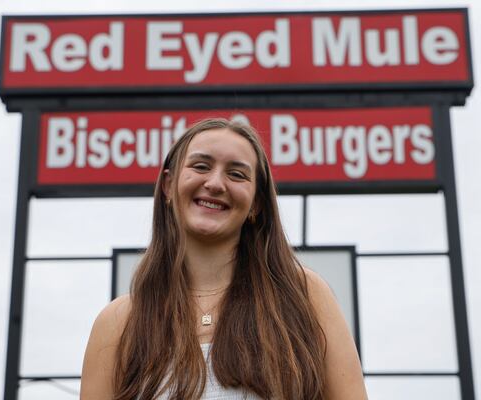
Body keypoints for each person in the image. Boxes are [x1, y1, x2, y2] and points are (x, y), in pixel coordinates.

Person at [80, 118, 368, 399]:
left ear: (256, 202)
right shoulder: (117, 323)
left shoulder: (304, 295)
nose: (216, 183)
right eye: (201, 166)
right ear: (168, 186)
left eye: (237, 174)